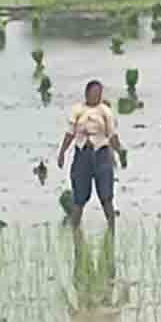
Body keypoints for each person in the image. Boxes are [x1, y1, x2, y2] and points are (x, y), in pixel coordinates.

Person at [57, 80, 124, 228]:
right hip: (82, 155)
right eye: (94, 93)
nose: (97, 96)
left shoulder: (106, 111)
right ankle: (76, 231)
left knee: (106, 197)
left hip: (102, 155)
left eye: (99, 93)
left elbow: (112, 135)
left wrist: (120, 153)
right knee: (79, 199)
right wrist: (62, 152)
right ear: (87, 94)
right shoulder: (78, 110)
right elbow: (70, 134)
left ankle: (112, 230)